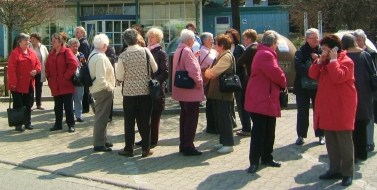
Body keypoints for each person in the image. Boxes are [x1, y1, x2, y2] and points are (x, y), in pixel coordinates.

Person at [309, 34, 356, 186]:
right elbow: (312, 74)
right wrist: (320, 61)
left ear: (334, 49)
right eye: (321, 49)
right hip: (327, 108)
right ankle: (334, 169)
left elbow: (338, 77)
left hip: (342, 108)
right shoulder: (324, 62)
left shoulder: (346, 61)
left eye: (324, 49)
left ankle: (347, 173)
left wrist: (334, 60)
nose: (322, 51)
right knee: (331, 142)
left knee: (344, 143)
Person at [245, 30, 287, 174]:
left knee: (268, 131)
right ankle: (255, 161)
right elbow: (277, 74)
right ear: (273, 43)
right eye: (276, 43)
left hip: (266, 98)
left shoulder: (264, 53)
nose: (277, 46)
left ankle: (266, 158)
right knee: (259, 132)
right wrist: (284, 83)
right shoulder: (266, 55)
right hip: (261, 99)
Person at [116, 28, 157, 157]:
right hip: (145, 91)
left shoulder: (123, 55)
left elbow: (120, 76)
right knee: (145, 120)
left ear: (125, 41)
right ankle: (146, 148)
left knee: (129, 121)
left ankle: (129, 148)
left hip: (129, 93)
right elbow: (155, 68)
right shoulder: (145, 51)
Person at [172, 29, 205, 156]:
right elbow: (193, 71)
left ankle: (183, 143)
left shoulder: (180, 49)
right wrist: (199, 83)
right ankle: (188, 145)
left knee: (184, 117)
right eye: (194, 39)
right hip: (190, 92)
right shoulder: (187, 51)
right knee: (191, 119)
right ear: (190, 40)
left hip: (181, 91)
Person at [341, 34, 373, 162]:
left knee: (350, 127)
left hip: (348, 95)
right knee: (362, 124)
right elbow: (373, 74)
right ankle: (362, 153)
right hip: (364, 95)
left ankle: (352, 154)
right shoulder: (365, 55)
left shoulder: (343, 57)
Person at [135, 27, 168, 148]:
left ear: (158, 38)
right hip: (145, 88)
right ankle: (145, 138)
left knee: (155, 116)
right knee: (144, 115)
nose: (149, 39)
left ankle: (153, 140)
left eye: (152, 37)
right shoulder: (144, 50)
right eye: (148, 37)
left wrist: (154, 81)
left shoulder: (161, 53)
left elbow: (165, 73)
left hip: (156, 89)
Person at [204, 34, 235, 154]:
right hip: (218, 93)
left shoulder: (226, 57)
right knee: (220, 118)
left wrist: (207, 71)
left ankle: (228, 143)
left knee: (224, 118)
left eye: (216, 43)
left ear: (221, 45)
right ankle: (223, 141)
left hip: (223, 93)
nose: (214, 45)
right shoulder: (221, 55)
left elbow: (212, 73)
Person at [293, 28, 325, 145]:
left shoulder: (322, 50)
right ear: (307, 39)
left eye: (317, 37)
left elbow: (326, 67)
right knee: (302, 112)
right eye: (314, 38)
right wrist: (313, 71)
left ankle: (321, 135)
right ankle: (301, 135)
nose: (316, 40)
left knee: (319, 112)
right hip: (302, 87)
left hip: (318, 88)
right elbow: (298, 67)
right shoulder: (301, 51)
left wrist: (317, 59)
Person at [7, 33, 41, 132]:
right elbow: (11, 70)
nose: (28, 42)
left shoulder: (31, 52)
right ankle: (18, 124)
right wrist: (13, 83)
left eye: (28, 40)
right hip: (17, 85)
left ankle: (27, 122)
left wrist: (36, 70)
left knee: (28, 104)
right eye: (26, 40)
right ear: (19, 42)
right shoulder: (15, 53)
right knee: (18, 104)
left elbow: (38, 63)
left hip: (29, 83)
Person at [45, 32, 78, 133]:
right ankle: (58, 124)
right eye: (52, 41)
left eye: (54, 41)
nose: (52, 43)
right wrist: (49, 78)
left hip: (66, 84)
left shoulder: (66, 51)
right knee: (57, 106)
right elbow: (47, 67)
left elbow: (73, 64)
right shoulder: (51, 53)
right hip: (55, 85)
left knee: (68, 106)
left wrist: (66, 77)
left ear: (60, 42)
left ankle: (71, 124)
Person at [88, 34, 116, 152]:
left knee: (103, 117)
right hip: (102, 90)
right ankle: (99, 143)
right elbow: (101, 77)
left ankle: (103, 140)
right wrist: (109, 87)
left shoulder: (93, 54)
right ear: (104, 45)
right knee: (101, 117)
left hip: (96, 89)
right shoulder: (100, 57)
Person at [354, 29, 376, 152]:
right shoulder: (352, 53)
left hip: (368, 91)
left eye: (359, 40)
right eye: (355, 40)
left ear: (364, 40)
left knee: (369, 116)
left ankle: (370, 142)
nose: (357, 42)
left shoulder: (371, 53)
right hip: (356, 90)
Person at [234, 29, 258, 137]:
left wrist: (243, 63)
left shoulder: (251, 49)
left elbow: (239, 61)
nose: (243, 41)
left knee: (244, 102)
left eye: (244, 39)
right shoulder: (257, 47)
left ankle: (247, 128)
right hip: (254, 78)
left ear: (249, 39)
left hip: (249, 78)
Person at [225, 28, 245, 129]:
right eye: (227, 36)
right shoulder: (225, 48)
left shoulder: (239, 48)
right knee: (229, 102)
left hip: (238, 78)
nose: (228, 38)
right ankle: (232, 122)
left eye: (230, 36)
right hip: (228, 79)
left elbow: (243, 63)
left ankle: (244, 123)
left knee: (240, 101)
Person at [75, 26, 93, 114]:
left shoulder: (83, 43)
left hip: (83, 68)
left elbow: (84, 57)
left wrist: (81, 65)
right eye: (76, 32)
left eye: (77, 32)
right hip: (83, 67)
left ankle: (85, 108)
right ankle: (86, 106)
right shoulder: (81, 42)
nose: (76, 34)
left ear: (82, 33)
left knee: (85, 90)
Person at [67, 38, 86, 122]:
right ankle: (70, 116)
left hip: (79, 81)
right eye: (74, 46)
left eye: (77, 46)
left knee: (78, 98)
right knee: (69, 100)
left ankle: (79, 115)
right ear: (69, 46)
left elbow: (85, 65)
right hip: (69, 80)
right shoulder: (66, 55)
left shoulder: (81, 55)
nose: (76, 48)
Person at [29, 33, 49, 111]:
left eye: (33, 38)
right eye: (31, 38)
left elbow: (47, 58)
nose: (31, 40)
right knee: (30, 88)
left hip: (40, 70)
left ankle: (39, 104)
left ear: (37, 39)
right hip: (31, 71)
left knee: (39, 88)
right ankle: (29, 105)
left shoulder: (43, 47)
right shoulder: (28, 47)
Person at [105, 45, 116, 122]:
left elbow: (112, 59)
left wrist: (102, 57)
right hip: (101, 75)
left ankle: (109, 116)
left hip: (109, 76)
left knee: (110, 96)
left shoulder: (110, 49)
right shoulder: (96, 49)